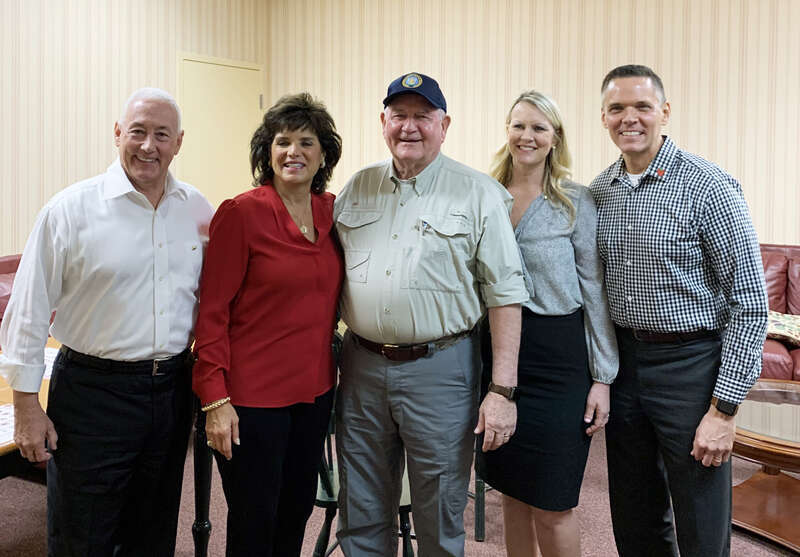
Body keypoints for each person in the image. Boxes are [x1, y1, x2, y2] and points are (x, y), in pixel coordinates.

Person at [0, 87, 214, 555]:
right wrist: (25, 406)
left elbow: (212, 300)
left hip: (171, 392)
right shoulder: (70, 210)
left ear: (179, 142)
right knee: (84, 532)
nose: (147, 146)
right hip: (93, 395)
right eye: (137, 132)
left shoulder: (198, 210)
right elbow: (28, 310)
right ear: (117, 133)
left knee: (153, 529)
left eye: (161, 134)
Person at [333, 72, 529, 556]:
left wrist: (502, 391)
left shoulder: (478, 193)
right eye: (399, 115)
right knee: (359, 510)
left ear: (445, 125)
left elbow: (506, 295)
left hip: (440, 371)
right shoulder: (357, 189)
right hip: (360, 367)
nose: (410, 126)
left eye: (423, 116)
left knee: (439, 515)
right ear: (383, 122)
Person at [590, 64, 768, 557]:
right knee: (633, 511)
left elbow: (751, 306)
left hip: (691, 366)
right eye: (617, 108)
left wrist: (724, 409)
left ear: (664, 112)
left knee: (700, 515)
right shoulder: (599, 193)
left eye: (642, 107)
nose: (631, 118)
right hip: (627, 367)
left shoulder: (709, 187)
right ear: (603, 117)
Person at [192, 92, 343, 556]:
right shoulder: (242, 213)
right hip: (251, 400)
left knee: (296, 511)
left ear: (323, 156)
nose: (292, 152)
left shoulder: (331, 212)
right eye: (282, 142)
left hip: (314, 392)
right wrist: (215, 398)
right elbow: (211, 312)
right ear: (267, 152)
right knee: (255, 519)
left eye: (306, 142)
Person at [478, 90, 618, 557]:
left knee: (554, 503)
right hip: (497, 356)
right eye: (519, 125)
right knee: (513, 492)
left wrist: (602, 378)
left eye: (539, 127)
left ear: (555, 136)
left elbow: (594, 291)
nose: (527, 136)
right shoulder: (485, 195)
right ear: (507, 130)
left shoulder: (575, 201)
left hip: (559, 361)